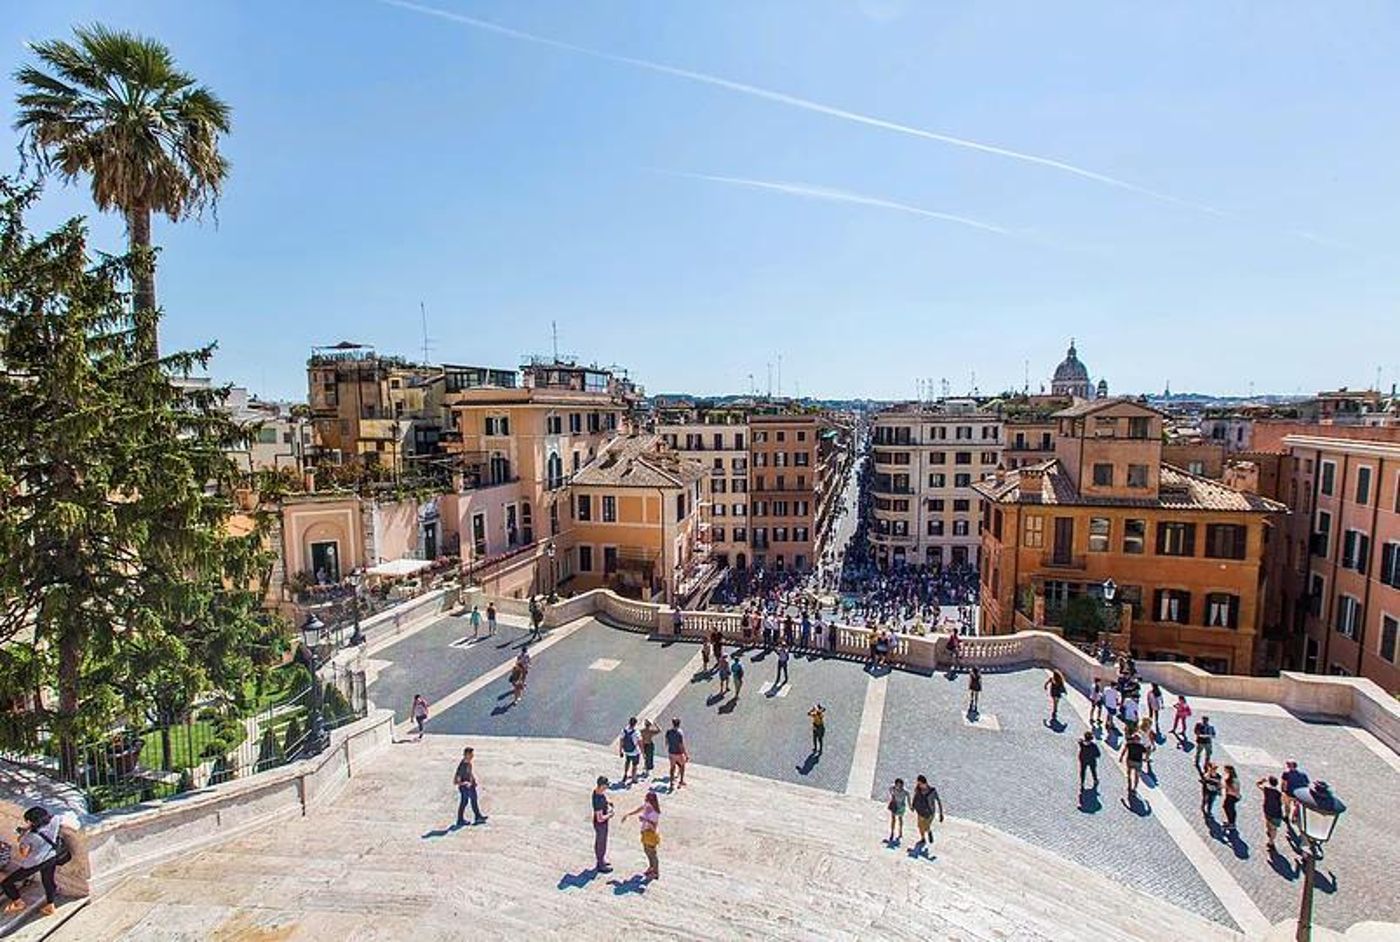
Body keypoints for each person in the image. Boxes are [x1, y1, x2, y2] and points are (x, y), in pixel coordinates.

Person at [1, 807, 65, 917]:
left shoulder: (29, 836)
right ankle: (50, 906)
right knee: (48, 881)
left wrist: (22, 837)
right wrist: (30, 828)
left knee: (7, 883)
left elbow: (24, 854)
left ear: (31, 822)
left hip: (35, 863)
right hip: (51, 857)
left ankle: (18, 903)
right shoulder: (55, 821)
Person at [622, 791, 663, 880]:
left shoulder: (655, 813)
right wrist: (628, 814)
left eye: (647, 799)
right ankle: (651, 868)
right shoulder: (647, 806)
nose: (645, 800)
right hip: (645, 832)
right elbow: (640, 809)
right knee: (647, 851)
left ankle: (655, 872)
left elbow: (654, 826)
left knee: (652, 854)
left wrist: (645, 819)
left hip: (650, 834)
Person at [910, 774, 944, 853]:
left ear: (925, 783)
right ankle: (923, 839)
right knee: (920, 826)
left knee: (926, 826)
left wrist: (941, 813)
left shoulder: (932, 791)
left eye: (920, 784)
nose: (919, 785)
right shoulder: (918, 789)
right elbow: (915, 797)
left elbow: (938, 801)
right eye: (918, 784)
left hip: (930, 812)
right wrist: (913, 806)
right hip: (920, 811)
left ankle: (929, 832)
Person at [454, 746, 487, 827]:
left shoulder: (468, 763)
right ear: (466, 754)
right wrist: (465, 783)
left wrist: (473, 780)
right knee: (465, 802)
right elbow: (456, 781)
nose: (473, 756)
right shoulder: (462, 766)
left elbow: (470, 773)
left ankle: (476, 816)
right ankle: (462, 819)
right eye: (471, 754)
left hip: (470, 786)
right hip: (465, 788)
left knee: (471, 801)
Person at [591, 776, 614, 873]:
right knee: (601, 844)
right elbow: (600, 818)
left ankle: (601, 860)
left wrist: (607, 802)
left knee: (601, 842)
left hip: (600, 824)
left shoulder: (597, 792)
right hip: (601, 825)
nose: (607, 787)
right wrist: (610, 815)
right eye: (606, 786)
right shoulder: (598, 801)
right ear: (601, 786)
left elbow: (602, 797)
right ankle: (600, 865)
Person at [1257, 775, 1285, 852]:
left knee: (1268, 822)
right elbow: (1282, 802)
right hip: (1276, 813)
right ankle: (1271, 842)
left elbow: (1258, 784)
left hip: (1267, 810)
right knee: (1274, 829)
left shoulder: (1266, 789)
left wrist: (1262, 781)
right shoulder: (1279, 793)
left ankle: (1269, 832)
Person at [1280, 760, 1309, 832]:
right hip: (1298, 795)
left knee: (1287, 805)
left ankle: (1287, 816)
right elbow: (1307, 784)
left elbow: (1284, 784)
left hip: (1289, 793)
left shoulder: (1286, 774)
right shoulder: (1303, 774)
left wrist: (1283, 791)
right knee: (1296, 806)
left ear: (1289, 766)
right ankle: (1294, 817)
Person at [1120, 731, 1147, 798]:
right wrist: (1145, 758)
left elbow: (1124, 750)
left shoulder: (1129, 744)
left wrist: (1121, 757)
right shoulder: (1141, 746)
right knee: (1136, 776)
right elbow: (1145, 752)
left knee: (1129, 773)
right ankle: (1134, 788)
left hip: (1130, 761)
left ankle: (1129, 784)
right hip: (1138, 762)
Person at [665, 719, 688, 790]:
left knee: (672, 768)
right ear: (679, 724)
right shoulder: (680, 733)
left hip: (671, 752)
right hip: (678, 753)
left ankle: (671, 783)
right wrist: (686, 754)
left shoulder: (668, 731)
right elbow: (681, 745)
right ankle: (681, 781)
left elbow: (666, 742)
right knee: (682, 765)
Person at [619, 717, 642, 785]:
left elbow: (621, 741)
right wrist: (643, 752)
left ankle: (625, 774)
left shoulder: (624, 730)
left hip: (627, 751)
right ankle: (633, 778)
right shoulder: (636, 732)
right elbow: (640, 743)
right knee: (634, 765)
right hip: (635, 751)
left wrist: (620, 751)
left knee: (627, 762)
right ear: (635, 724)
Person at [887, 778, 910, 843]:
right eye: (897, 785)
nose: (898, 786)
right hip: (895, 805)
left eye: (900, 785)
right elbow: (890, 789)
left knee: (900, 819)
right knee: (893, 819)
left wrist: (910, 805)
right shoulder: (893, 789)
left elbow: (908, 796)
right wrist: (892, 796)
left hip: (901, 806)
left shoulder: (904, 791)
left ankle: (900, 832)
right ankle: (892, 832)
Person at [1222, 765, 1241, 834]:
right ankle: (1230, 821)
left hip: (1232, 796)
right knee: (1226, 807)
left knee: (1230, 809)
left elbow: (1236, 790)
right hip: (1229, 795)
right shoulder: (1229, 777)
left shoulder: (1234, 780)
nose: (1224, 771)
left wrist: (1228, 787)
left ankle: (1232, 823)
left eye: (1225, 769)